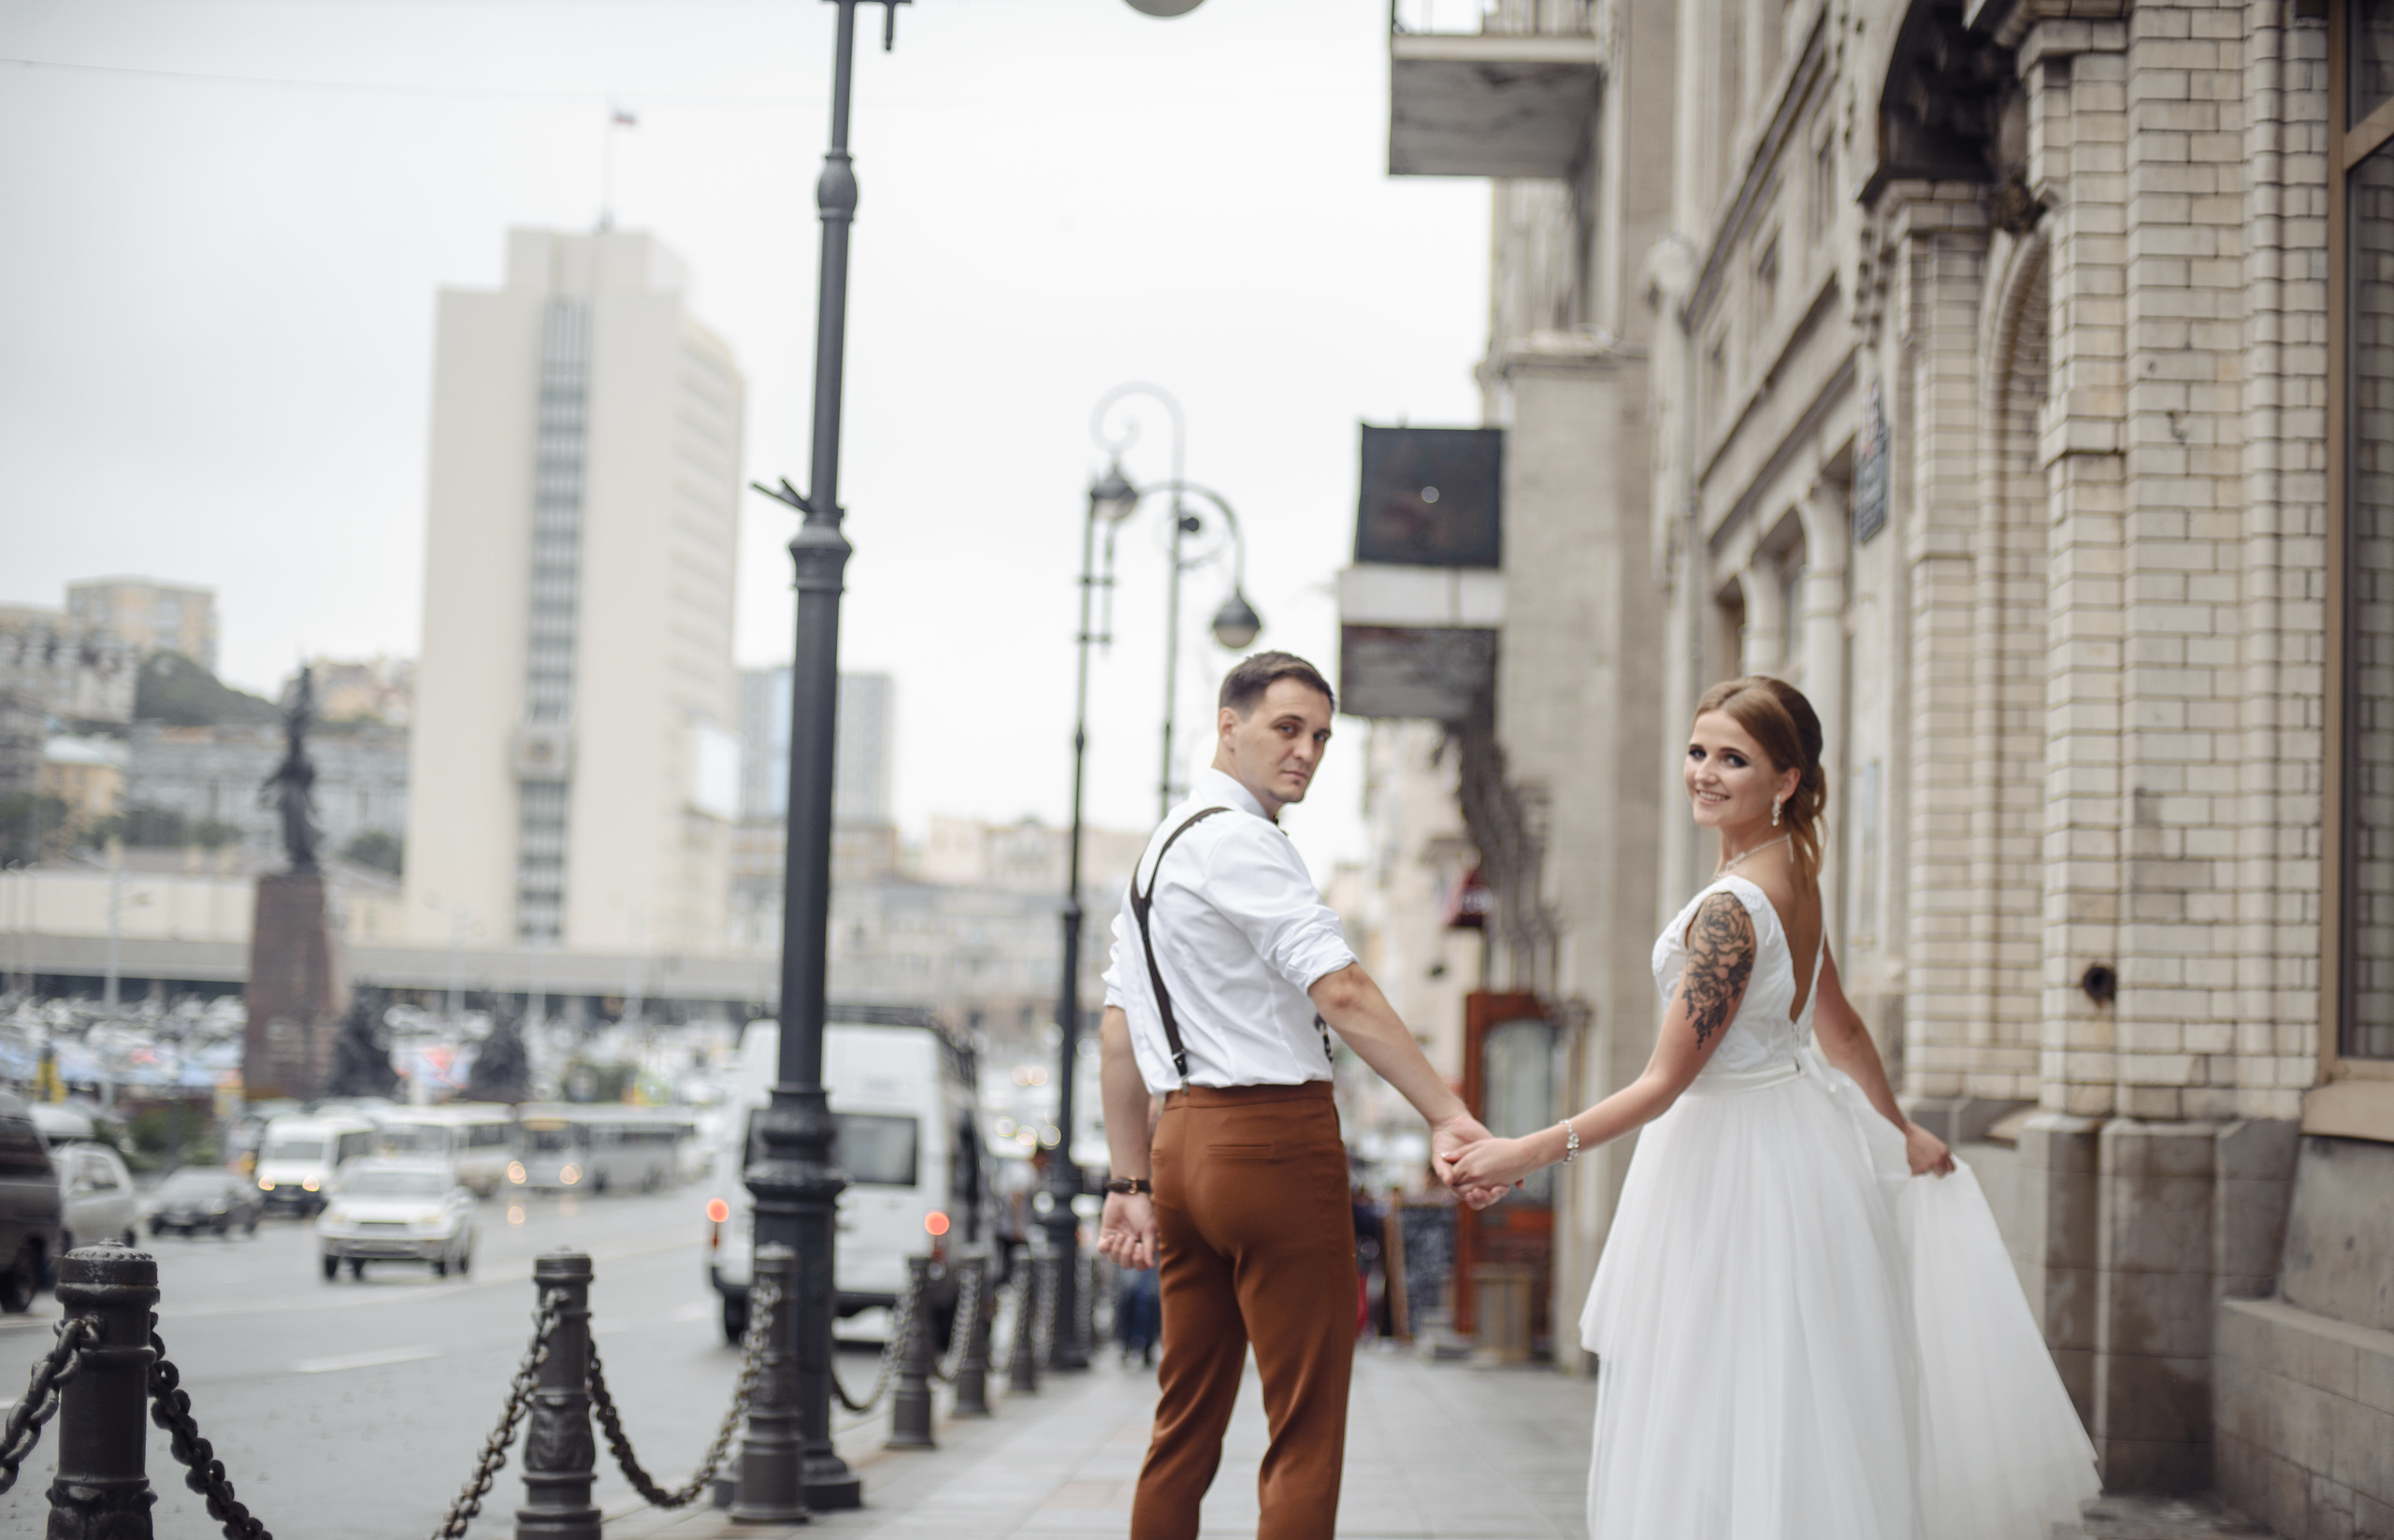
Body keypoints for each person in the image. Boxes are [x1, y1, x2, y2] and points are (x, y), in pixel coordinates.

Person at [1444, 675, 2101, 1540]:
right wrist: (1896, 1128)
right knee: (1791, 1402)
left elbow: (1663, 1082)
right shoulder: (1793, 871)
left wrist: (1524, 1153)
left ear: (1785, 780)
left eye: (1734, 758)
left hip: (1736, 1174)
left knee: (1720, 1405)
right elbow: (1844, 1030)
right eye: (1698, 750)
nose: (1705, 774)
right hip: (1802, 1155)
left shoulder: (1731, 910)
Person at [1095, 652, 1501, 1540]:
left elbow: (1119, 1032)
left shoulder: (1155, 855)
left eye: (1321, 735)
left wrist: (1129, 1183)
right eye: (1287, 728)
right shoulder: (1243, 840)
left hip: (1180, 1149)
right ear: (1227, 725)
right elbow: (1342, 988)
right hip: (1272, 1141)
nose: (1308, 751)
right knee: (1306, 1430)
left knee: (1183, 1423)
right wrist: (1448, 1112)